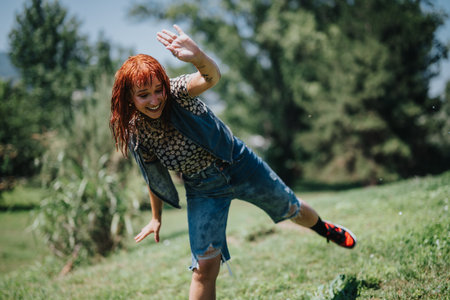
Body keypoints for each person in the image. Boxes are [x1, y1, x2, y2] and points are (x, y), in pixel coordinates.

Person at [110, 25, 356, 300]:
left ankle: (325, 229)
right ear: (129, 99)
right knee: (203, 266)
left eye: (158, 90)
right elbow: (152, 177)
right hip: (203, 189)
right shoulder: (138, 133)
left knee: (292, 208)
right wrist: (156, 218)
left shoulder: (178, 93)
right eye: (144, 95)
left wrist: (197, 56)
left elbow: (210, 77)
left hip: (239, 164)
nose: (155, 100)